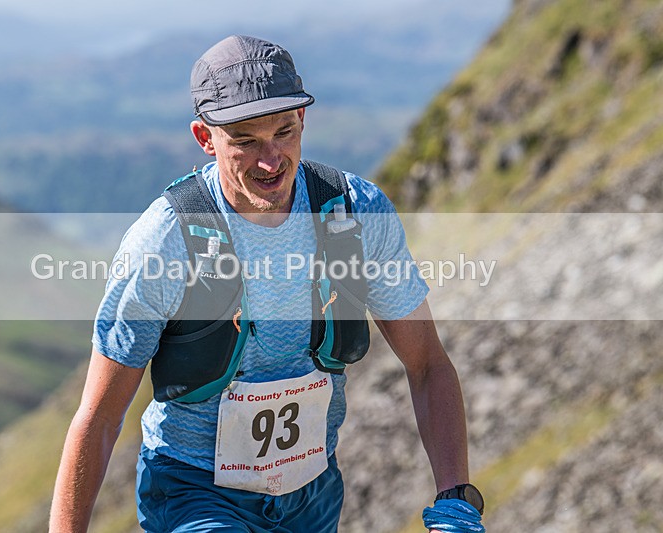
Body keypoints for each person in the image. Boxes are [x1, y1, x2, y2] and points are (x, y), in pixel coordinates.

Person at [50, 35, 485, 533]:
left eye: (284, 131)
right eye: (246, 140)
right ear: (204, 137)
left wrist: (456, 499)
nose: (271, 159)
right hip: (195, 493)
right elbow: (99, 417)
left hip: (314, 493)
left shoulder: (354, 213)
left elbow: (428, 364)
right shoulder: (165, 242)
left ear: (304, 121)